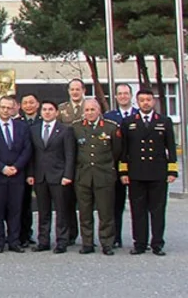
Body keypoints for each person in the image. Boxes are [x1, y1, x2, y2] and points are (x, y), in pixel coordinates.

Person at [119, 89, 177, 256]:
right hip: (136, 173)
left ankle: (157, 243)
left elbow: (171, 147)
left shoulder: (164, 121)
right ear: (137, 102)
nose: (145, 102)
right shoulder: (129, 122)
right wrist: (124, 172)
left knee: (158, 210)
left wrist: (172, 170)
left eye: (148, 100)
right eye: (142, 100)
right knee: (138, 210)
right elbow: (124, 149)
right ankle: (140, 243)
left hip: (158, 173)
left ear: (154, 102)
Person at [73, 99, 122, 254]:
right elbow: (74, 152)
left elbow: (117, 151)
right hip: (84, 175)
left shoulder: (111, 127)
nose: (89, 113)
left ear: (99, 110)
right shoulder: (76, 127)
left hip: (104, 175)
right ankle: (87, 243)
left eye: (92, 110)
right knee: (85, 212)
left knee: (106, 212)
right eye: (87, 110)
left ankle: (107, 243)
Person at [26, 100, 75, 254]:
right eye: (44, 109)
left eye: (50, 109)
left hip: (59, 176)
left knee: (61, 210)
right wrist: (31, 173)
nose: (47, 112)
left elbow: (69, 154)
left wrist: (67, 174)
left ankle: (62, 241)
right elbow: (31, 154)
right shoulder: (34, 130)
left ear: (56, 112)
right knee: (43, 210)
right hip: (40, 176)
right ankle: (43, 241)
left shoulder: (65, 130)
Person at [0, 96, 31, 253]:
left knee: (16, 210)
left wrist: (16, 167)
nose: (6, 110)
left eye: (9, 108)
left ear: (14, 109)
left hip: (17, 175)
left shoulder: (21, 126)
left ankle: (14, 241)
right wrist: (2, 167)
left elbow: (27, 149)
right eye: (3, 107)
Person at [104, 83, 138, 248]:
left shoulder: (139, 115)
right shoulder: (109, 117)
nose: (123, 96)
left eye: (126, 93)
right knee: (115, 204)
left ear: (131, 96)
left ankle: (140, 238)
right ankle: (115, 237)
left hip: (137, 166)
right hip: (116, 166)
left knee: (138, 205)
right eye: (120, 94)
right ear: (115, 97)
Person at [16, 93, 41, 248]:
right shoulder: (18, 122)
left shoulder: (44, 120)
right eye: (25, 103)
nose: (29, 105)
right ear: (21, 106)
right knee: (23, 204)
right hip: (23, 169)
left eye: (32, 102)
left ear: (37, 104)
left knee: (43, 206)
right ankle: (23, 234)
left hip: (42, 167)